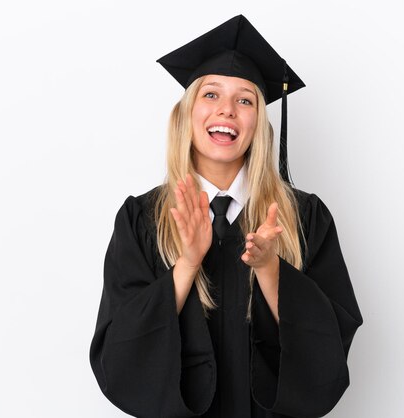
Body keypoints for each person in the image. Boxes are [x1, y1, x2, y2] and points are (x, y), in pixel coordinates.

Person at [90, 15, 363, 418]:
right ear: (187, 114)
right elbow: (119, 355)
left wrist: (270, 268)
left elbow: (329, 351)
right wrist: (187, 263)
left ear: (259, 123)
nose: (228, 111)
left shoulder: (304, 218)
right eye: (211, 95)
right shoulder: (141, 219)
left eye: (245, 100)